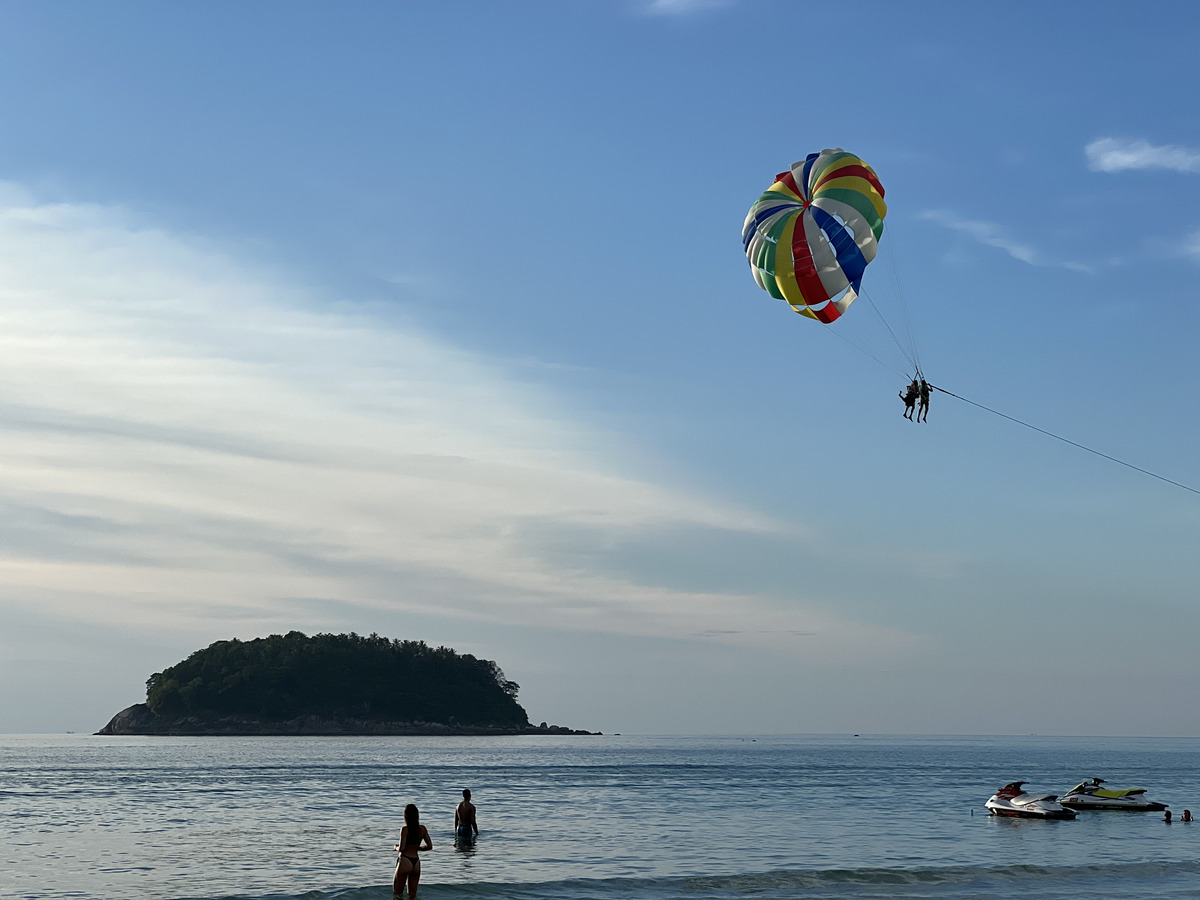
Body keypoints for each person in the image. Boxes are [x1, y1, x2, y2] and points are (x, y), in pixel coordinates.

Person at [393, 803, 433, 899]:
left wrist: (395, 847)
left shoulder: (405, 830)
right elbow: (429, 846)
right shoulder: (422, 829)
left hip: (405, 860)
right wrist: (417, 848)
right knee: (412, 896)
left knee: (397, 895)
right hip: (416, 862)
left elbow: (402, 849)